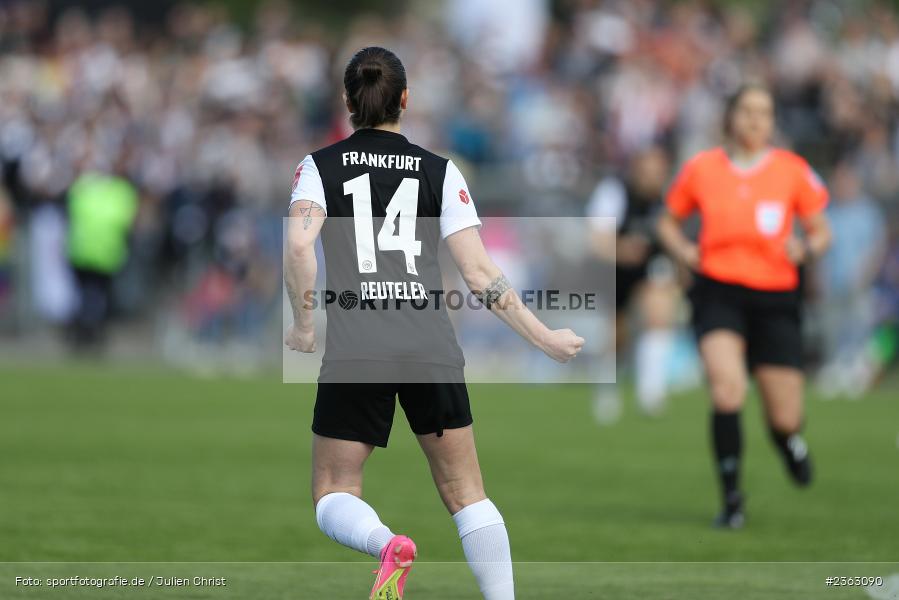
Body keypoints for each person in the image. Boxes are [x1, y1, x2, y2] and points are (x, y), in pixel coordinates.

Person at [283, 47, 584, 600]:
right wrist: (543, 336)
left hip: (358, 346)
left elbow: (300, 245)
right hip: (429, 342)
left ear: (348, 102)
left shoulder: (317, 167)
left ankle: (385, 545)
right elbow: (477, 272)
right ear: (405, 100)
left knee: (333, 490)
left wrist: (305, 322)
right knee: (467, 493)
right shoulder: (440, 172)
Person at [656, 83, 831, 528]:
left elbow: (821, 231)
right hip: (718, 291)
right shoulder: (702, 169)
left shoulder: (792, 171)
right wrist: (681, 249)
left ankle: (788, 440)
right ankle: (732, 500)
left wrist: (806, 250)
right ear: (730, 117)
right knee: (726, 388)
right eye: (748, 111)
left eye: (765, 113)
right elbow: (667, 221)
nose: (756, 120)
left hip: (775, 296)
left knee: (786, 415)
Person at [587, 146, 681, 422]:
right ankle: (606, 390)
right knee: (617, 335)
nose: (653, 178)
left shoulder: (668, 198)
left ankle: (651, 392)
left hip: (650, 269)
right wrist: (622, 250)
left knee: (659, 311)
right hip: (614, 269)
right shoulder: (614, 191)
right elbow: (596, 240)